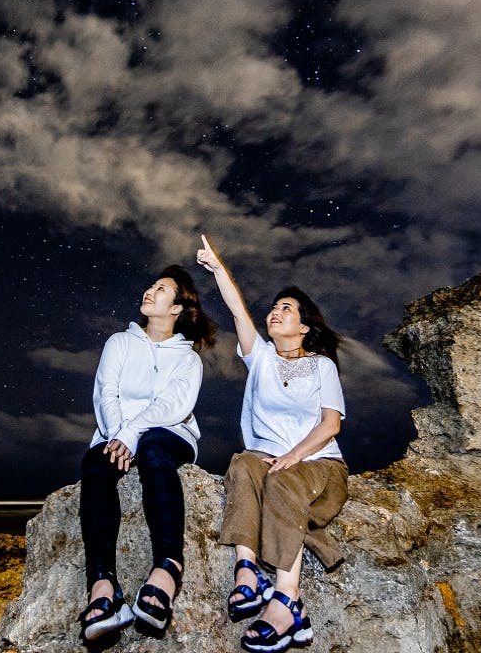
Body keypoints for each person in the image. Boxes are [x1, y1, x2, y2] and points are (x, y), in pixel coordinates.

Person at [196, 235, 348, 653]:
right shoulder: (260, 358)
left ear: (304, 327)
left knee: (281, 480)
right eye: (275, 307)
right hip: (268, 461)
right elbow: (236, 311)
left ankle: (286, 599)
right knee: (243, 463)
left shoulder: (321, 366)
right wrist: (216, 267)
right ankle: (247, 570)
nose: (276, 313)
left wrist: (292, 456)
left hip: (320, 468)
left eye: (288, 309)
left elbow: (330, 424)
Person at [77, 265, 219, 642]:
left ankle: (167, 570)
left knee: (155, 446)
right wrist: (116, 435)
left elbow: (174, 405)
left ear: (177, 309)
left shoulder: (188, 359)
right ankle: (102, 588)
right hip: (114, 432)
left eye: (161, 289)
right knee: (95, 464)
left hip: (171, 433)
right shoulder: (119, 343)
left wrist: (132, 433)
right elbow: (106, 393)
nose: (150, 291)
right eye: (151, 286)